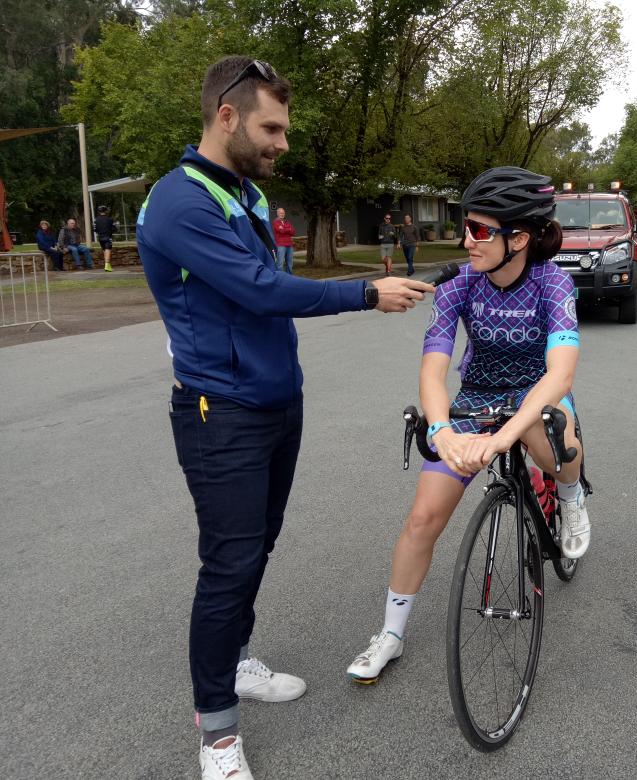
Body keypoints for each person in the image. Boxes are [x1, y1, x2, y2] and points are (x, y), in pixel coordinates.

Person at [135, 55, 433, 780]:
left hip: (275, 403)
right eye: (272, 127)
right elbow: (262, 290)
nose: (283, 143)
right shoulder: (181, 203)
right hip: (219, 413)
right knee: (229, 563)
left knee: (254, 550)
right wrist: (365, 293)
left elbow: (268, 288)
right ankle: (217, 735)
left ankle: (235, 662)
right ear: (227, 117)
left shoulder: (244, 195)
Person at [346, 166, 589, 683]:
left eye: (480, 230)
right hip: (477, 398)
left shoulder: (553, 283)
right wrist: (441, 431)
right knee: (421, 520)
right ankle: (390, 634)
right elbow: (433, 369)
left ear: (519, 238)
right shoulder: (460, 285)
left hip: (536, 397)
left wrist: (503, 435)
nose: (466, 240)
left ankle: (570, 498)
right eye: (466, 227)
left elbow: (560, 373)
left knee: (549, 427)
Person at [272, 207, 295, 272]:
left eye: (283, 213)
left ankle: (289, 278)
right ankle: (280, 279)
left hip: (289, 245)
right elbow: (280, 231)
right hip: (280, 245)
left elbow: (293, 232)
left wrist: (284, 229)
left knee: (290, 263)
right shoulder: (275, 222)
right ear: (277, 213)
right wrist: (288, 229)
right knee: (280, 263)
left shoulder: (287, 222)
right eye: (281, 213)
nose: (282, 214)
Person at [95, 205, 116, 272]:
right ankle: (107, 265)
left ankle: (107, 265)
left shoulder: (96, 220)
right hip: (108, 237)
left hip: (100, 237)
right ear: (106, 211)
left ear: (99, 211)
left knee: (105, 250)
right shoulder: (110, 219)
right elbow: (114, 228)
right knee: (108, 249)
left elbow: (95, 229)